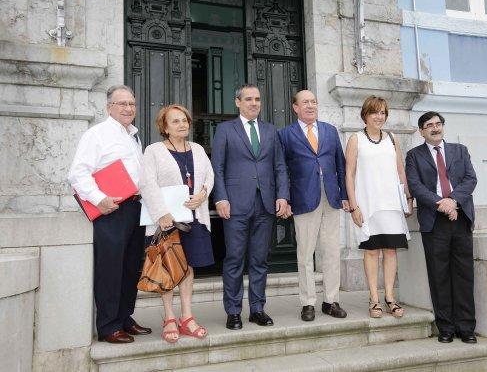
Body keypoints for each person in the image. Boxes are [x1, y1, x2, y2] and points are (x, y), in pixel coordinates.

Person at [68, 85, 151, 344]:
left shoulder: (134, 136)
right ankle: (108, 326)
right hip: (111, 209)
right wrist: (99, 199)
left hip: (136, 207)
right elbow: (77, 174)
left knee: (131, 266)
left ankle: (125, 317)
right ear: (109, 107)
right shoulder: (97, 134)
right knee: (110, 268)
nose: (128, 109)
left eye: (132, 104)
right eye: (122, 104)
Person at [211, 84, 290, 330]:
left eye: (257, 99)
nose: (254, 103)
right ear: (238, 102)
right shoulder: (225, 129)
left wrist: (283, 196)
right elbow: (218, 167)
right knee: (234, 259)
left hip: (265, 204)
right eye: (248, 99)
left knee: (259, 260)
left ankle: (257, 309)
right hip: (234, 205)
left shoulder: (270, 130)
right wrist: (220, 198)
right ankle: (233, 311)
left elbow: (279, 166)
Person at [139, 104, 214, 343]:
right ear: (164, 127)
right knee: (168, 266)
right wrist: (161, 213)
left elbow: (209, 176)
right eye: (175, 121)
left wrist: (203, 194)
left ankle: (187, 317)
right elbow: (146, 183)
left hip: (194, 218)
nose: (182, 125)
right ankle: (169, 317)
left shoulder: (199, 149)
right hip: (166, 221)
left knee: (188, 266)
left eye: (184, 120)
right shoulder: (153, 151)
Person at [405, 111, 477, 344]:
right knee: (439, 276)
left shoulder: (460, 150)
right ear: (421, 131)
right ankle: (445, 327)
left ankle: (466, 328)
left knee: (464, 275)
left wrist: (453, 201)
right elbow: (415, 186)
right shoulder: (414, 156)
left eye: (438, 124)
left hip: (460, 217)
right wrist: (442, 204)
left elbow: (470, 179)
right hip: (434, 221)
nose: (435, 128)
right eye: (429, 125)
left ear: (443, 126)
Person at [278, 90, 349, 322]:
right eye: (305, 102)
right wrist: (285, 199)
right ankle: (308, 302)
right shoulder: (285, 134)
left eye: (313, 102)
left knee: (330, 252)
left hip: (331, 198)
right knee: (305, 254)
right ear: (295, 108)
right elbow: (282, 170)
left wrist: (345, 195)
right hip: (303, 199)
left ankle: (331, 300)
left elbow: (340, 163)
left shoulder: (329, 130)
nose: (310, 106)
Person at [345, 96, 412, 319]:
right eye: (375, 112)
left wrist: (407, 198)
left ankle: (390, 297)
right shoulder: (356, 139)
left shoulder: (392, 138)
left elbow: (400, 171)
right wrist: (354, 206)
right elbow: (349, 174)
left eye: (383, 112)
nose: (379, 116)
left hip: (391, 204)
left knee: (391, 251)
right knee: (372, 251)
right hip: (368, 204)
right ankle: (374, 298)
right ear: (365, 114)